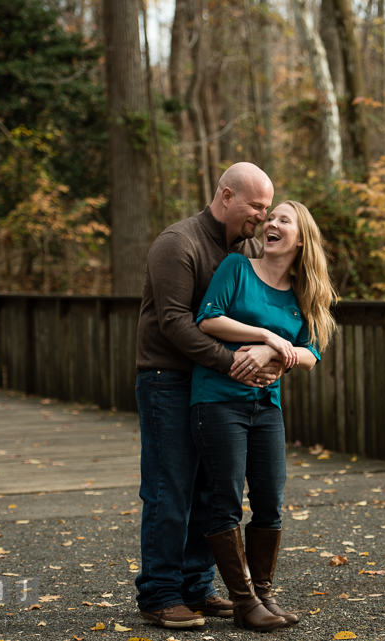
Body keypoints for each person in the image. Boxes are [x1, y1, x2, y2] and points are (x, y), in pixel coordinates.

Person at [134, 162, 287, 629]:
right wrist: (233, 362)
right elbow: (175, 320)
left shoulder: (244, 249)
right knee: (169, 486)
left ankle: (197, 587)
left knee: (211, 487)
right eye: (256, 206)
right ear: (225, 197)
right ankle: (160, 594)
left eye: (267, 208)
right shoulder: (177, 244)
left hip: (216, 388)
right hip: (168, 378)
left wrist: (274, 352)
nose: (262, 217)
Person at [190, 201, 337, 632]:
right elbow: (208, 320)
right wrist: (268, 335)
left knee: (270, 502)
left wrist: (276, 352)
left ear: (300, 238)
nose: (270, 223)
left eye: (282, 220)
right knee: (226, 501)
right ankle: (242, 602)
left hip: (265, 407)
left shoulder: (302, 293)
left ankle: (263, 594)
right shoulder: (237, 268)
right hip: (217, 402)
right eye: (270, 218)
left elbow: (311, 352)